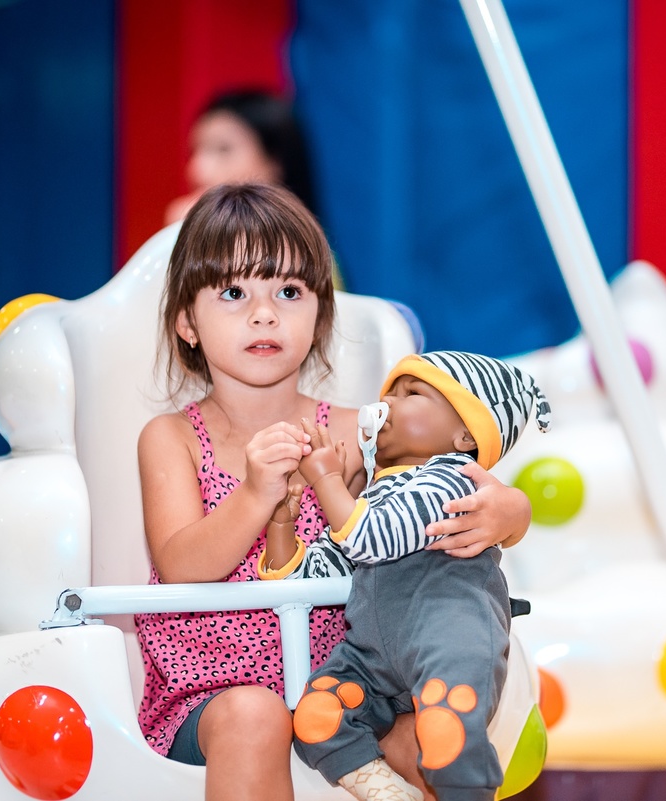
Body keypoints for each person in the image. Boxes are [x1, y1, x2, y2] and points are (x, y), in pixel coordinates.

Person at [133, 183, 532, 801]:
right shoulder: (173, 437)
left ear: (319, 313)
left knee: (430, 743)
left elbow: (448, 488)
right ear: (187, 320)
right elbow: (182, 563)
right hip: (213, 693)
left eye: (288, 292)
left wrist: (509, 511)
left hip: (352, 682)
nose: (264, 313)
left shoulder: (362, 428)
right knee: (255, 717)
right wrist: (255, 495)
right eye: (234, 293)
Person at [259, 350, 551, 801]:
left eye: (411, 393)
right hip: (374, 651)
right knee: (317, 716)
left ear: (464, 434)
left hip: (448, 632)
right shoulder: (371, 495)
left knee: (447, 727)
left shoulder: (455, 480)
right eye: (388, 393)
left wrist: (327, 481)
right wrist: (282, 525)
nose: (388, 404)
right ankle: (389, 793)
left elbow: (373, 537)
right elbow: (311, 578)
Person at [164, 89, 317, 226]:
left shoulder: (311, 248)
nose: (197, 170)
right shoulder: (180, 226)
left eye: (224, 149)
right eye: (194, 152)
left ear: (275, 159)